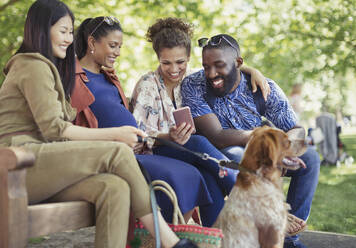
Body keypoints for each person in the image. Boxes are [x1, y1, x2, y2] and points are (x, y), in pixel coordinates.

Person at [0, 1, 196, 247]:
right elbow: (56, 129)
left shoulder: (51, 68)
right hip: (17, 163)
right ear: (41, 28)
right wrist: (116, 134)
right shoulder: (32, 64)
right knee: (118, 151)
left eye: (71, 32)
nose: (69, 39)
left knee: (114, 188)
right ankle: (168, 240)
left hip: (41, 163)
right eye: (63, 31)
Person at [181, 34, 320, 248]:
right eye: (206, 66)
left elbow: (296, 129)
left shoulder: (264, 87)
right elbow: (216, 137)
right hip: (227, 154)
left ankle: (288, 238)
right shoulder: (194, 85)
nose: (211, 74)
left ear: (238, 63)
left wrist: (283, 149)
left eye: (219, 66)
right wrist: (267, 145)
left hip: (265, 149)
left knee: (310, 158)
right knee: (238, 155)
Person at [72, 16, 213, 226]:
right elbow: (70, 124)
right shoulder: (73, 78)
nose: (118, 52)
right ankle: (171, 237)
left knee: (193, 171)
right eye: (113, 45)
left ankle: (177, 235)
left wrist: (248, 70)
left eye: (119, 46)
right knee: (184, 172)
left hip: (136, 147)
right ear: (92, 43)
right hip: (115, 154)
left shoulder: (108, 77)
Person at [129, 18, 271, 227]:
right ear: (158, 59)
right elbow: (136, 135)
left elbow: (228, 67)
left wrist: (252, 71)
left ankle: (215, 237)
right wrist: (169, 137)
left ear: (188, 58)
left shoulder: (191, 81)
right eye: (166, 62)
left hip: (185, 151)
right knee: (199, 143)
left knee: (208, 174)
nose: (174, 69)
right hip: (155, 151)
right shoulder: (148, 85)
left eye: (180, 62)